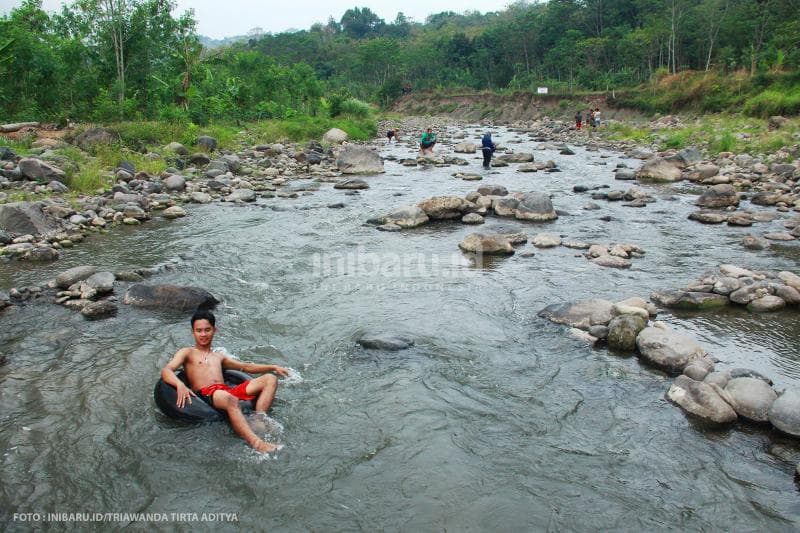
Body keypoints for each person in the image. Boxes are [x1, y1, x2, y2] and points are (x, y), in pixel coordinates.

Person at [160, 309, 289, 453]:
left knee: (270, 379)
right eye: (199, 331)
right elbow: (167, 370)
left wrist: (272, 366)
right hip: (207, 393)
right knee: (230, 399)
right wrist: (180, 384)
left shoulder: (219, 356)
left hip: (225, 390)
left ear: (215, 330)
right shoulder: (187, 352)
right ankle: (258, 444)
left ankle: (258, 418)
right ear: (193, 332)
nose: (203, 334)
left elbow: (245, 366)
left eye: (207, 330)